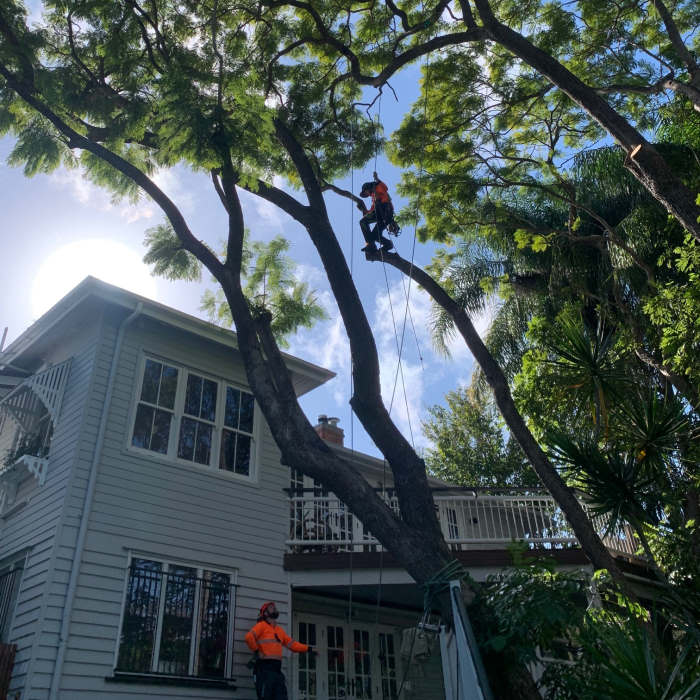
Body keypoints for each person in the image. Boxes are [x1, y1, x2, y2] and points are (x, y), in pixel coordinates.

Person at [245, 601, 314, 700]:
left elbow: (293, 645)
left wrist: (309, 648)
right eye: (271, 607)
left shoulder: (279, 630)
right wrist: (257, 651)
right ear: (265, 613)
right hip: (264, 669)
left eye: (274, 606)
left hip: (277, 670)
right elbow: (249, 637)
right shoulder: (261, 626)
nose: (274, 607)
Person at [359, 171, 398, 254]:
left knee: (363, 222)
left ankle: (370, 245)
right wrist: (363, 210)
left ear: (368, 188)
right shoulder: (373, 197)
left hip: (385, 210)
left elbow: (385, 187)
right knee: (375, 235)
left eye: (365, 191)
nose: (366, 194)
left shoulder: (377, 187)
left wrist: (376, 179)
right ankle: (388, 244)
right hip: (382, 214)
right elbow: (371, 210)